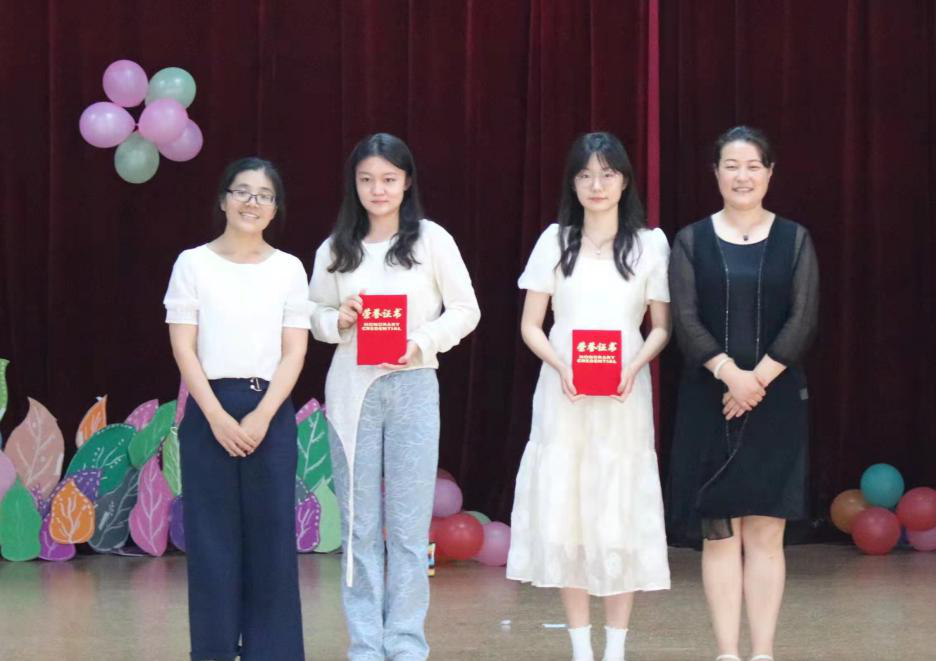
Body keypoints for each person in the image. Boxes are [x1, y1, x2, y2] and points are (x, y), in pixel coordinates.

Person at [309, 133, 480, 661]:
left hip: (413, 386)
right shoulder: (335, 248)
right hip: (352, 393)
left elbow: (466, 310)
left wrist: (422, 341)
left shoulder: (431, 240)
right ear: (354, 185)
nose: (377, 189)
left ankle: (405, 642)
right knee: (359, 526)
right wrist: (337, 319)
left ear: (407, 182)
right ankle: (365, 644)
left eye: (388, 179)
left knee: (408, 526)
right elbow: (311, 314)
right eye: (366, 180)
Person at [506, 132, 672, 661]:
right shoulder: (554, 241)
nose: (596, 185)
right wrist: (560, 365)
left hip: (624, 392)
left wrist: (635, 365)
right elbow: (531, 325)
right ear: (572, 184)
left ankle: (616, 649)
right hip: (565, 393)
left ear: (625, 181)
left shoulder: (650, 244)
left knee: (618, 512)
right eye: (585, 175)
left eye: (607, 174)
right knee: (568, 512)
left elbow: (661, 326)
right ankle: (580, 648)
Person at [666, 126, 820, 661]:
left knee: (766, 534)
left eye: (753, 166)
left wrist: (756, 380)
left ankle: (763, 652)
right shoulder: (690, 240)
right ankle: (727, 652)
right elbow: (685, 320)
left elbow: (804, 318)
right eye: (731, 166)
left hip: (777, 401)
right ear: (715, 173)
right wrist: (730, 374)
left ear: (770, 173)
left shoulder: (795, 239)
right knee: (720, 535)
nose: (742, 176)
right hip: (709, 400)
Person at [164, 157, 310, 661]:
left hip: (270, 410)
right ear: (224, 199)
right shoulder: (192, 263)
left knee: (272, 541)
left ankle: (275, 651)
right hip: (211, 410)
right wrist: (216, 416)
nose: (253, 202)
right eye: (243, 191)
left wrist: (263, 415)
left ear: (275, 208)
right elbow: (184, 347)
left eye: (264, 195)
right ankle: (213, 650)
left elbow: (295, 351)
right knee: (211, 542)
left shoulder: (289, 268)